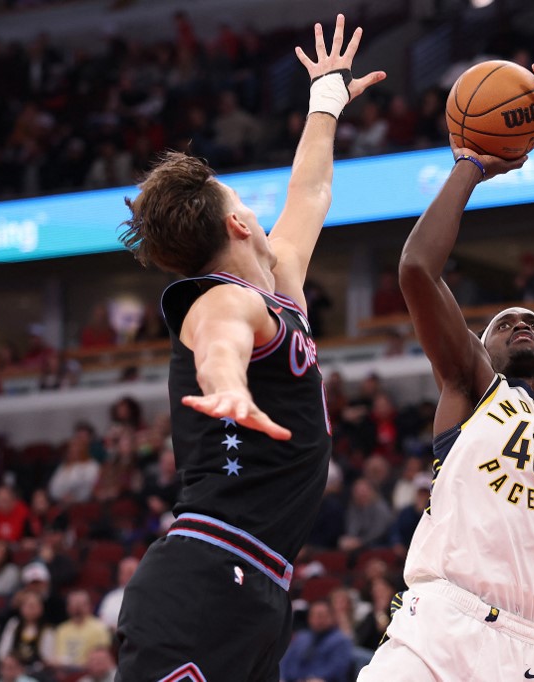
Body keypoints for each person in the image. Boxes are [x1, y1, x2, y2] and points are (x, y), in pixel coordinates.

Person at [114, 15, 384, 680]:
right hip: (208, 576)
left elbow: (312, 190)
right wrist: (227, 384)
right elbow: (218, 344)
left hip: (258, 588)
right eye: (244, 199)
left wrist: (325, 99)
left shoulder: (281, 280)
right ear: (238, 222)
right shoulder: (223, 300)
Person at [357, 33, 534, 682]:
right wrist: (470, 165)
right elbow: (418, 268)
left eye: (533, 322)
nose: (522, 326)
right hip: (438, 629)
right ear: (477, 350)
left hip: (528, 654)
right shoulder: (470, 390)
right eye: (505, 324)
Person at [279, 599, 353, 682]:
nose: (316, 620)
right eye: (312, 615)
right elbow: (285, 662)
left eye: (320, 616)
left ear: (332, 617)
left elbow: (336, 670)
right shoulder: (301, 637)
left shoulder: (341, 641)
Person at [50, 590, 111, 668]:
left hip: (88, 671)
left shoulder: (100, 628)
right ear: (68, 607)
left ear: (89, 606)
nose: (77, 608)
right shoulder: (62, 629)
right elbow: (56, 655)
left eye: (81, 604)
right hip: (63, 670)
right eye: (74, 605)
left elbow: (102, 657)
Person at [97, 557, 139, 631]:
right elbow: (101, 621)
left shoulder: (148, 597)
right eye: (122, 572)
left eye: (130, 572)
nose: (126, 576)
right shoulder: (110, 597)